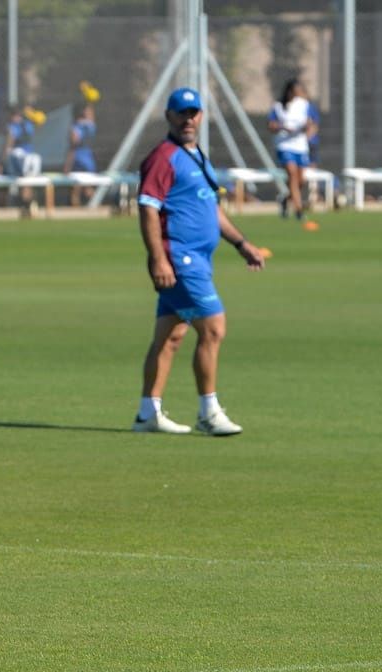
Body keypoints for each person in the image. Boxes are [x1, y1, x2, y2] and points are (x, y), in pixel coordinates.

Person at [133, 87, 266, 436]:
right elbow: (148, 210)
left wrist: (241, 243)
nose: (188, 119)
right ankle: (209, 412)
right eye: (181, 113)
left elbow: (211, 209)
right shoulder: (163, 157)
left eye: (194, 113)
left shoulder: (195, 155)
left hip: (198, 260)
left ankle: (148, 413)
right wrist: (159, 259)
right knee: (213, 329)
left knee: (171, 335)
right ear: (169, 117)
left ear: (202, 117)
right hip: (180, 260)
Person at [268, 78, 316, 221]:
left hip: (300, 146)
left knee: (300, 181)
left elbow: (311, 123)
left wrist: (306, 129)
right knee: (292, 175)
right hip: (285, 146)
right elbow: (271, 125)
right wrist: (282, 127)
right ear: (290, 91)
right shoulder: (278, 106)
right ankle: (299, 211)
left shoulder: (304, 105)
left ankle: (285, 199)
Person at [64, 102, 98, 206]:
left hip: (78, 158)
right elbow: (91, 118)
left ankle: (76, 209)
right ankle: (95, 205)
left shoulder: (76, 127)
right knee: (88, 187)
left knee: (76, 188)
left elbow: (73, 144)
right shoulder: (91, 125)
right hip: (89, 159)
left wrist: (67, 164)